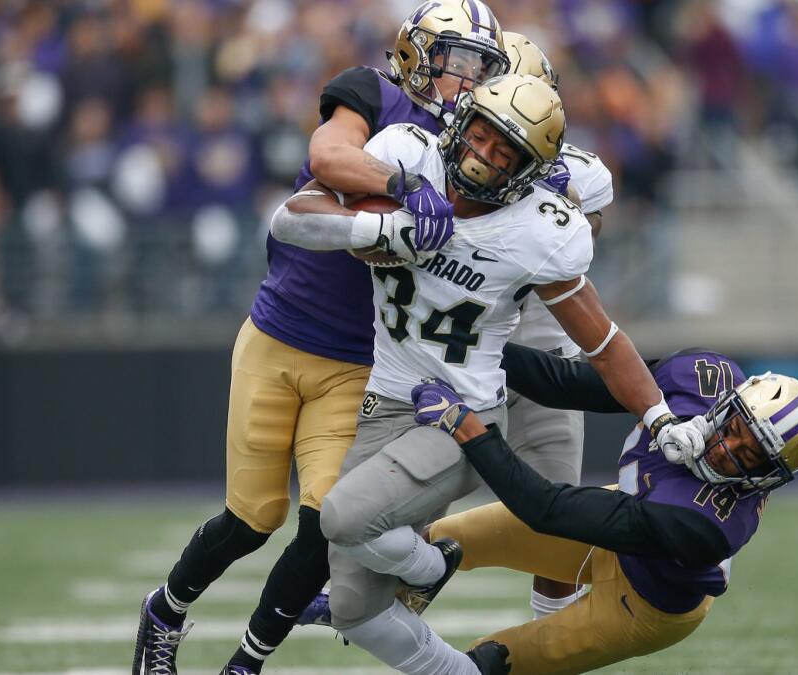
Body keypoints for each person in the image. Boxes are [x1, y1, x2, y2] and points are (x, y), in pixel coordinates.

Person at [269, 73, 708, 675]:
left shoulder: (537, 229)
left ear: (529, 170)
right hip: (384, 401)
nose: (484, 154)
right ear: (462, 121)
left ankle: (433, 562)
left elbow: (603, 342)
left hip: (458, 414)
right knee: (354, 610)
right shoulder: (406, 154)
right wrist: (386, 223)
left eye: (506, 152)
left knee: (342, 518)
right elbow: (289, 219)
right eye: (482, 134)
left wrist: (657, 415)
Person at [131, 2, 511, 674]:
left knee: (324, 524)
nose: (472, 80)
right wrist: (402, 184)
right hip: (281, 334)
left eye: (484, 67)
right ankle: (166, 608)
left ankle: (246, 664)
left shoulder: (478, 151)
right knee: (251, 518)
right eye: (462, 62)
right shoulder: (374, 93)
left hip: (359, 362)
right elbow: (327, 155)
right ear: (421, 54)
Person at [410, 344, 798, 674]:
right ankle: (360, 605)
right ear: (729, 402)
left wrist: (464, 425)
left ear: (769, 476)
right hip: (629, 513)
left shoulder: (706, 522)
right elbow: (571, 383)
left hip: (643, 606)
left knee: (487, 664)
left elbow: (544, 509)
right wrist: (470, 346)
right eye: (735, 430)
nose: (726, 451)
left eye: (750, 457)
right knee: (443, 539)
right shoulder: (699, 378)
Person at [502, 30, 616, 620]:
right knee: (405, 507)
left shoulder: (578, 173)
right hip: (454, 352)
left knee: (560, 516)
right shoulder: (434, 156)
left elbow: (578, 238)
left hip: (543, 357)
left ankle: (549, 637)